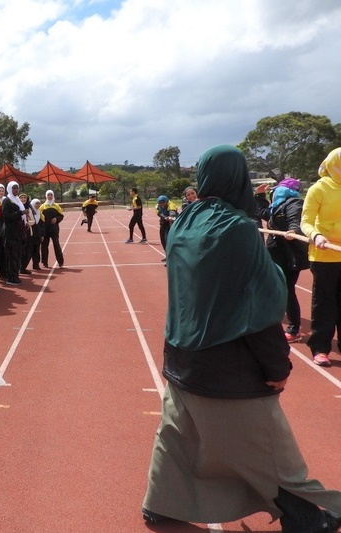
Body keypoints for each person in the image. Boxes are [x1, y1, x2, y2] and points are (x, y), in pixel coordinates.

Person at [142, 145, 341, 532]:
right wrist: (276, 365)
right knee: (270, 448)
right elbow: (260, 306)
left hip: (181, 355)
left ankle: (161, 502)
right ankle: (304, 517)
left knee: (177, 436)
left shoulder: (185, 220)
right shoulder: (237, 229)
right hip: (225, 364)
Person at [301, 147, 341, 367]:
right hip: (324, 256)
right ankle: (320, 348)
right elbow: (305, 220)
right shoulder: (319, 188)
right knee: (324, 304)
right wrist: (315, 235)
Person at [265, 178, 309, 344]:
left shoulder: (294, 203)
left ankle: (293, 328)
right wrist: (260, 195)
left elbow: (295, 220)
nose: (276, 192)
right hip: (275, 254)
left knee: (287, 290)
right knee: (274, 287)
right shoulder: (276, 205)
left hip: (288, 255)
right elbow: (262, 212)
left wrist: (293, 230)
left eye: (279, 189)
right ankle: (273, 319)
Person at [0, 180, 25, 285]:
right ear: (9, 189)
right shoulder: (7, 200)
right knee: (12, 256)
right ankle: (11, 278)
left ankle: (15, 275)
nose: (15, 190)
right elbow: (5, 216)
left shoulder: (17, 199)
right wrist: (20, 213)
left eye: (17, 188)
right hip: (10, 232)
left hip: (18, 231)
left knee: (17, 255)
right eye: (13, 188)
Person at [38, 189, 65, 267]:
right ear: (46, 196)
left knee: (56, 245)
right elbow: (40, 218)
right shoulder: (42, 206)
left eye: (51, 195)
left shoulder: (56, 206)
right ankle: (45, 262)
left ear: (53, 196)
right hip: (45, 230)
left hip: (54, 229)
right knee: (44, 246)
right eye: (48, 195)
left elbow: (61, 216)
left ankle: (60, 262)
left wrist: (56, 219)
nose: (50, 196)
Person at [155, 195, 178, 262]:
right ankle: (168, 255)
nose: (162, 204)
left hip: (172, 223)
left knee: (169, 239)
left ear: (167, 202)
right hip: (164, 222)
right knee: (163, 240)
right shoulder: (157, 206)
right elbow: (159, 213)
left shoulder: (171, 205)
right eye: (160, 203)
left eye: (163, 202)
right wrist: (165, 217)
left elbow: (172, 212)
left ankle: (172, 258)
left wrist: (170, 216)